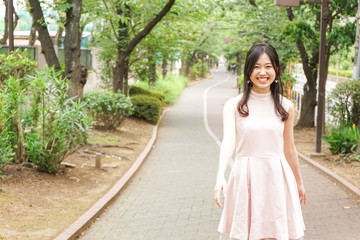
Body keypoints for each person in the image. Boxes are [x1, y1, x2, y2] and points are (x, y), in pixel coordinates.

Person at [214, 43, 306, 240]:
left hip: (277, 178)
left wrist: (299, 182)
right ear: (248, 71)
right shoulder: (234, 105)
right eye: (256, 67)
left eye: (268, 66)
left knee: (275, 234)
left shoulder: (285, 106)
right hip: (246, 177)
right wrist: (220, 175)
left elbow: (289, 147)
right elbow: (229, 140)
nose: (262, 72)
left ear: (276, 70)